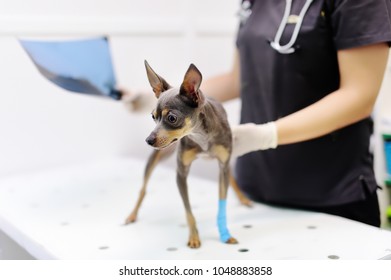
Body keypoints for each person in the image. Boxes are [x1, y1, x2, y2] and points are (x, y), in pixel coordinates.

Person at [123, 0, 391, 227]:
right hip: (255, 193)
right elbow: (238, 79)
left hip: (332, 196)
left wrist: (266, 135)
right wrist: (159, 99)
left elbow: (359, 96)